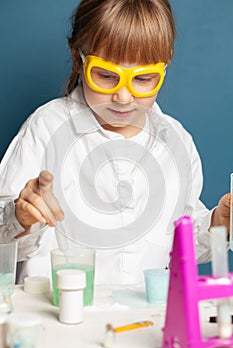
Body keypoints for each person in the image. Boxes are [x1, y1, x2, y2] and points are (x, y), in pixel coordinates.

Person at [0, 0, 230, 285]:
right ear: (77, 58)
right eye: (107, 76)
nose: (123, 97)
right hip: (60, 320)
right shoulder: (46, 127)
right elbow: (4, 242)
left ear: (166, 64)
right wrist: (20, 216)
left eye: (144, 78)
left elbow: (181, 247)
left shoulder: (176, 141)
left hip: (144, 321)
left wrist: (219, 223)